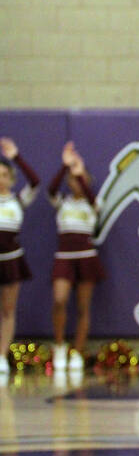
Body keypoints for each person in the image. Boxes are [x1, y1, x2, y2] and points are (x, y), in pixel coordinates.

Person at [48, 142, 105, 375]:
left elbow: (92, 200)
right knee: (59, 300)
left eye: (80, 179)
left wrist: (80, 172)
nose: (76, 183)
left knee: (83, 306)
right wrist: (65, 166)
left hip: (86, 257)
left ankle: (78, 352)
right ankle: (60, 345)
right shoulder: (62, 202)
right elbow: (51, 189)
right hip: (64, 257)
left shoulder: (94, 203)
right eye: (72, 180)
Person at [0, 138, 39, 380]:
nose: (0, 179)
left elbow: (35, 182)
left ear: (10, 178)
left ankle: (1, 356)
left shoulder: (17, 200)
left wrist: (16, 157)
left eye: (4, 175)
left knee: (8, 309)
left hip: (11, 259)